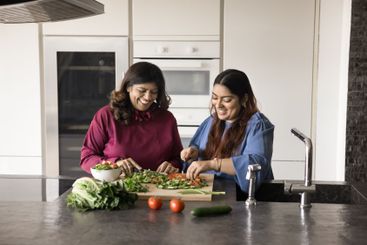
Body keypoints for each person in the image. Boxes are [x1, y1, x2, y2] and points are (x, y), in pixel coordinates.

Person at [80, 62, 183, 175]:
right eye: (142, 90)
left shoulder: (167, 119)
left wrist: (172, 165)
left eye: (154, 92)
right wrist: (113, 164)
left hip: (159, 188)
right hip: (117, 188)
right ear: (128, 87)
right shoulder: (106, 115)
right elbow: (87, 158)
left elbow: (179, 159)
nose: (148, 97)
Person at [181, 69, 274, 193]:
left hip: (242, 198)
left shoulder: (258, 125)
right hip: (210, 192)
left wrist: (214, 164)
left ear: (244, 99)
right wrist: (194, 152)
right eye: (215, 98)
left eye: (226, 100)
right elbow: (198, 146)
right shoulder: (212, 120)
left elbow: (255, 164)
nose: (218, 105)